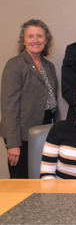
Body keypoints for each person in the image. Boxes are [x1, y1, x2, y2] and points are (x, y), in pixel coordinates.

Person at [0, 19, 59, 179]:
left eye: (39, 36)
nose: (35, 40)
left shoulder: (49, 66)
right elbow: (8, 107)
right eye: (30, 36)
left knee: (45, 178)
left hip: (47, 130)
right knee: (22, 181)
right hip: (23, 134)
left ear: (46, 40)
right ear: (23, 40)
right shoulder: (15, 65)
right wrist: (13, 143)